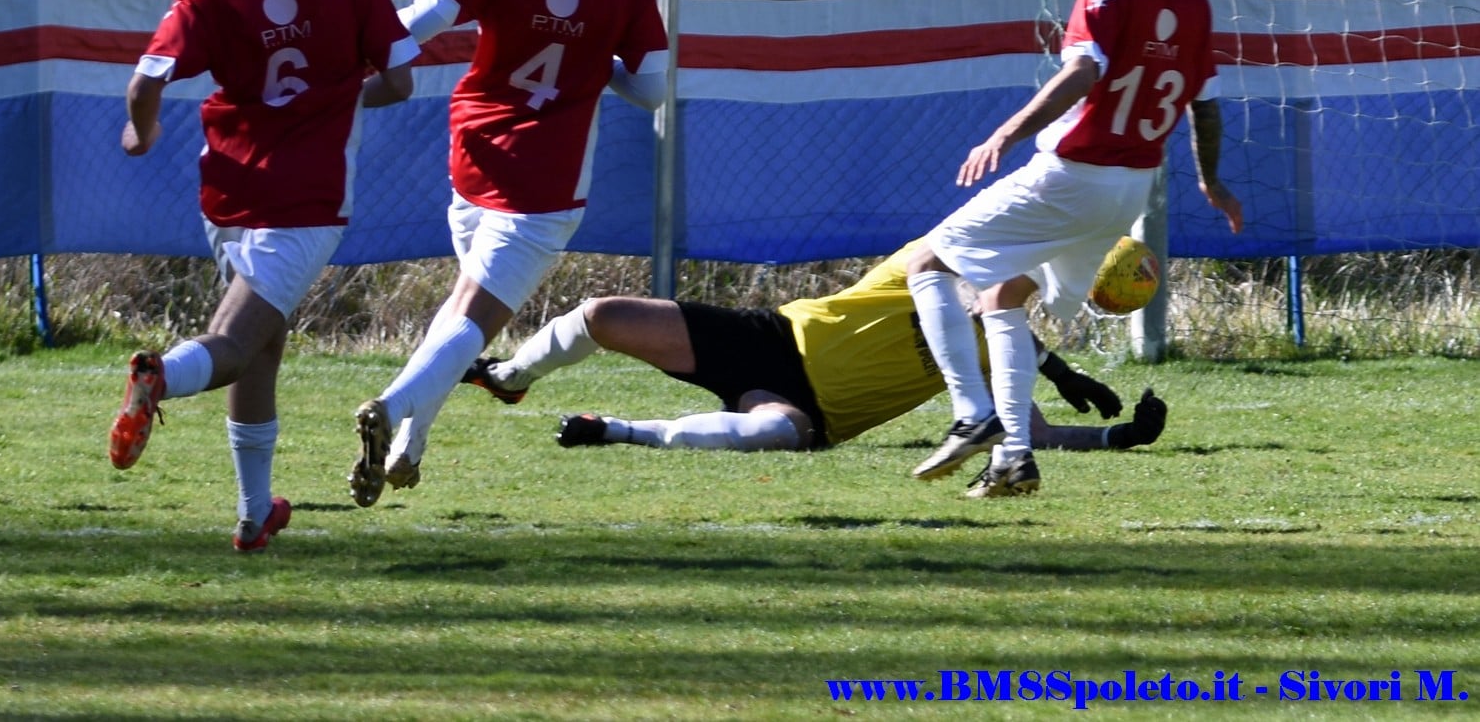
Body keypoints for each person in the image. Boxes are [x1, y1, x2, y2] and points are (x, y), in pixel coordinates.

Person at [108, 0, 419, 551]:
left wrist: (141, 133)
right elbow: (401, 81)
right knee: (234, 342)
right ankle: (158, 378)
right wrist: (336, 94)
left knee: (264, 346)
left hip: (227, 196)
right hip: (304, 206)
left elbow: (146, 80)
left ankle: (255, 516)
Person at [349, 0, 669, 507]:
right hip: (544, 187)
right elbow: (651, 89)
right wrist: (598, 64)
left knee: (463, 308)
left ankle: (410, 443)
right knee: (473, 321)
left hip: (473, 157)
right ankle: (391, 403)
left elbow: (413, 24)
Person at [905, 0, 1243, 496]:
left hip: (1071, 175)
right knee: (1002, 296)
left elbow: (1084, 72)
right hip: (1128, 193)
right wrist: (1213, 181)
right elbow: (1206, 103)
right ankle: (1012, 458)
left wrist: (1004, 133)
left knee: (927, 266)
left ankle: (972, 414)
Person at [461, 240, 1168, 480]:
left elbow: (1031, 434)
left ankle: (615, 429)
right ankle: (508, 377)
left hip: (809, 414)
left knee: (775, 435)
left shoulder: (997, 346)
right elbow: (957, 290)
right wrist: (1059, 366)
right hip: (769, 338)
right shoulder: (930, 267)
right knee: (602, 315)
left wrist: (1116, 436)